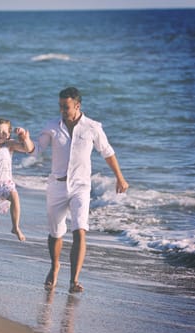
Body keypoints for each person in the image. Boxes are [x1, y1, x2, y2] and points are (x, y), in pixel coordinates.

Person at [32, 87, 129, 293]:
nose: (62, 110)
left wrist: (119, 178)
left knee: (80, 230)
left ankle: (74, 280)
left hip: (81, 186)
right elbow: (37, 149)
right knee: (55, 233)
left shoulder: (92, 127)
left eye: (65, 107)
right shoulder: (52, 126)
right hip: (57, 185)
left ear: (77, 106)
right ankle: (54, 266)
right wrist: (20, 141)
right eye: (60, 106)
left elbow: (108, 152)